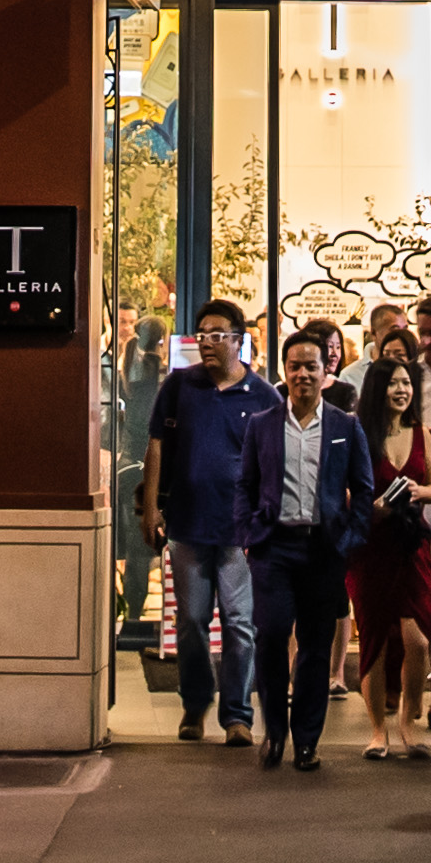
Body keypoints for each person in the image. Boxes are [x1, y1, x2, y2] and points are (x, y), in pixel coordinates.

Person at [247, 328, 377, 771]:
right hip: (274, 548)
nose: (302, 374)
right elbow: (244, 487)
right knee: (270, 635)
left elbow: (363, 489)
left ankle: (306, 740)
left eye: (311, 367)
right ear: (284, 372)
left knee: (316, 647)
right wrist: (249, 535)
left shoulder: (345, 426)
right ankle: (275, 735)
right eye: (295, 366)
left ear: (327, 373)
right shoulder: (262, 425)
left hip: (324, 549)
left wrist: (350, 539)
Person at [140, 301, 265, 745]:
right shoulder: (179, 386)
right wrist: (151, 507)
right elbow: (155, 447)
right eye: (202, 334)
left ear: (239, 339)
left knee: (239, 624)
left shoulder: (262, 395)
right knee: (191, 621)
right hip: (187, 524)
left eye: (217, 334)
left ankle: (237, 715)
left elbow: (274, 462)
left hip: (240, 531)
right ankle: (195, 704)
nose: (207, 343)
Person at [355, 340, 431, 760]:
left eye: (406, 383)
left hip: (412, 546)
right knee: (375, 639)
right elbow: (342, 493)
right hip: (371, 548)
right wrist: (372, 508)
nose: (401, 390)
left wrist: (419, 490)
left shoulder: (423, 435)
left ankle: (409, 721)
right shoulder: (358, 434)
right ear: (377, 389)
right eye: (392, 383)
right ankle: (378, 730)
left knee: (418, 639)